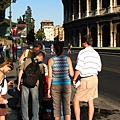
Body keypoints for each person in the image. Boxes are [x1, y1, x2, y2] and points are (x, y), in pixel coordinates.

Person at [72, 35, 102, 120]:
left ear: (85, 43)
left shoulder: (83, 53)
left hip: (86, 79)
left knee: (76, 100)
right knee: (90, 99)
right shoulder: (96, 53)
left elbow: (79, 68)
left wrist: (74, 79)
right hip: (94, 78)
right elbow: (99, 68)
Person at [47, 42, 74, 120]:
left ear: (54, 50)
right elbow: (71, 74)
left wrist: (49, 89)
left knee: (56, 109)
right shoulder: (67, 59)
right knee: (67, 107)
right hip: (66, 84)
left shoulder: (51, 60)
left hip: (55, 85)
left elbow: (50, 76)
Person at [17, 50, 45, 120]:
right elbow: (42, 76)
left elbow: (20, 72)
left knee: (24, 103)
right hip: (34, 85)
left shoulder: (27, 61)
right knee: (35, 103)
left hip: (25, 83)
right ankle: (35, 118)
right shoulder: (40, 65)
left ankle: (25, 118)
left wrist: (18, 83)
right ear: (41, 56)